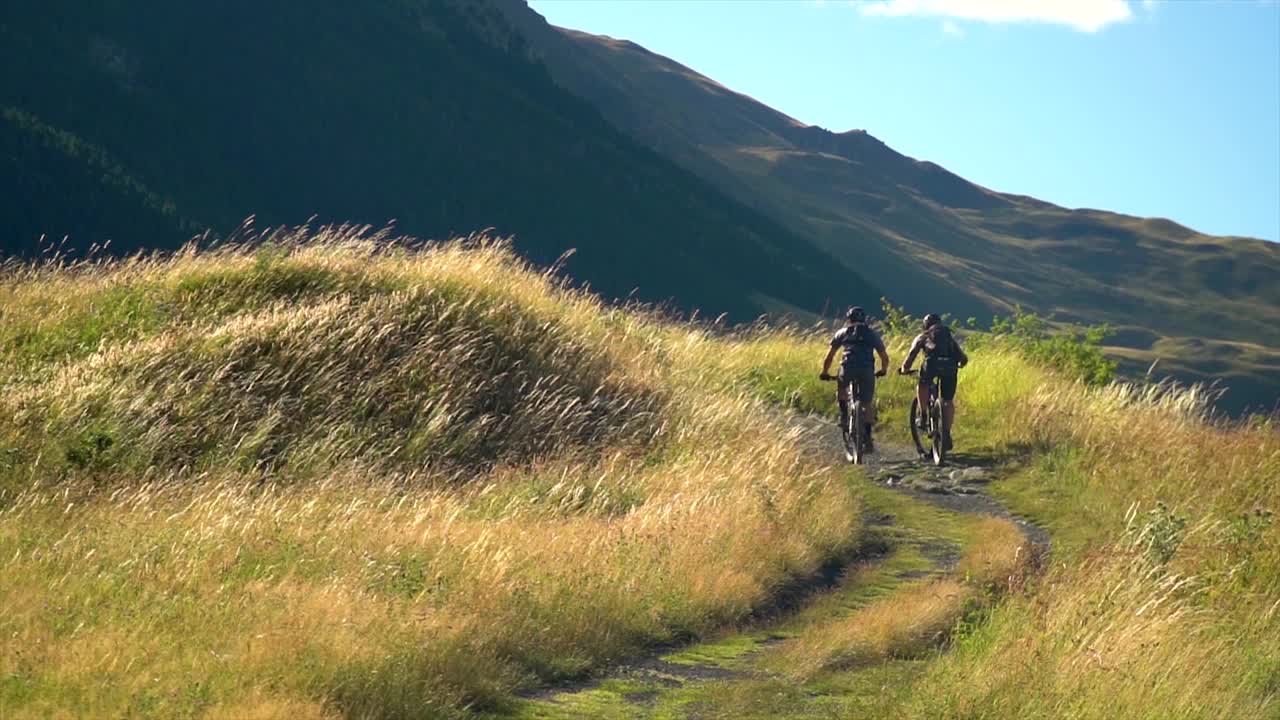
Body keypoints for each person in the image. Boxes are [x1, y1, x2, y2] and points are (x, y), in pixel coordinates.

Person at [820, 306, 889, 451]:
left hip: (848, 368)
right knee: (867, 403)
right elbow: (883, 356)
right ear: (864, 319)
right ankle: (868, 437)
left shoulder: (842, 332)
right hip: (867, 370)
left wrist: (825, 372)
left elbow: (830, 356)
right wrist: (883, 370)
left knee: (841, 386)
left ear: (849, 319)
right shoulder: (872, 334)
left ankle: (844, 415)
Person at [900, 313, 968, 451]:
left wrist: (904, 369)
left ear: (925, 325)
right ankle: (946, 432)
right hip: (950, 368)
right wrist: (960, 364)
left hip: (931, 366)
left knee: (922, 384)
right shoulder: (948, 337)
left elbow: (912, 353)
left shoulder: (923, 336)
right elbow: (963, 358)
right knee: (947, 401)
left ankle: (923, 415)